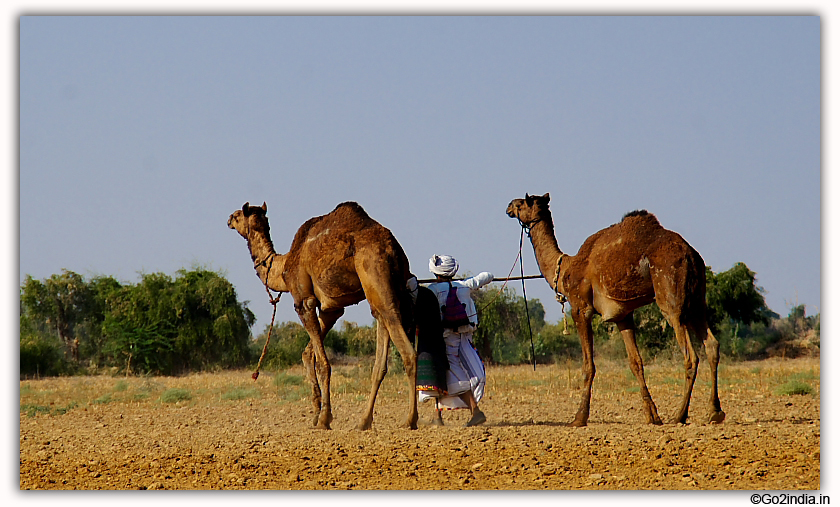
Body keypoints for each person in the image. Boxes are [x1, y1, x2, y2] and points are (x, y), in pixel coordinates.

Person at [425, 254, 493, 427]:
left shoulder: (432, 290)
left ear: (435, 272)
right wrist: (491, 277)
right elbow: (485, 276)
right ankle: (437, 416)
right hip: (464, 337)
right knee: (444, 375)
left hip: (445, 340)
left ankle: (475, 411)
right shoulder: (464, 286)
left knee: (446, 376)